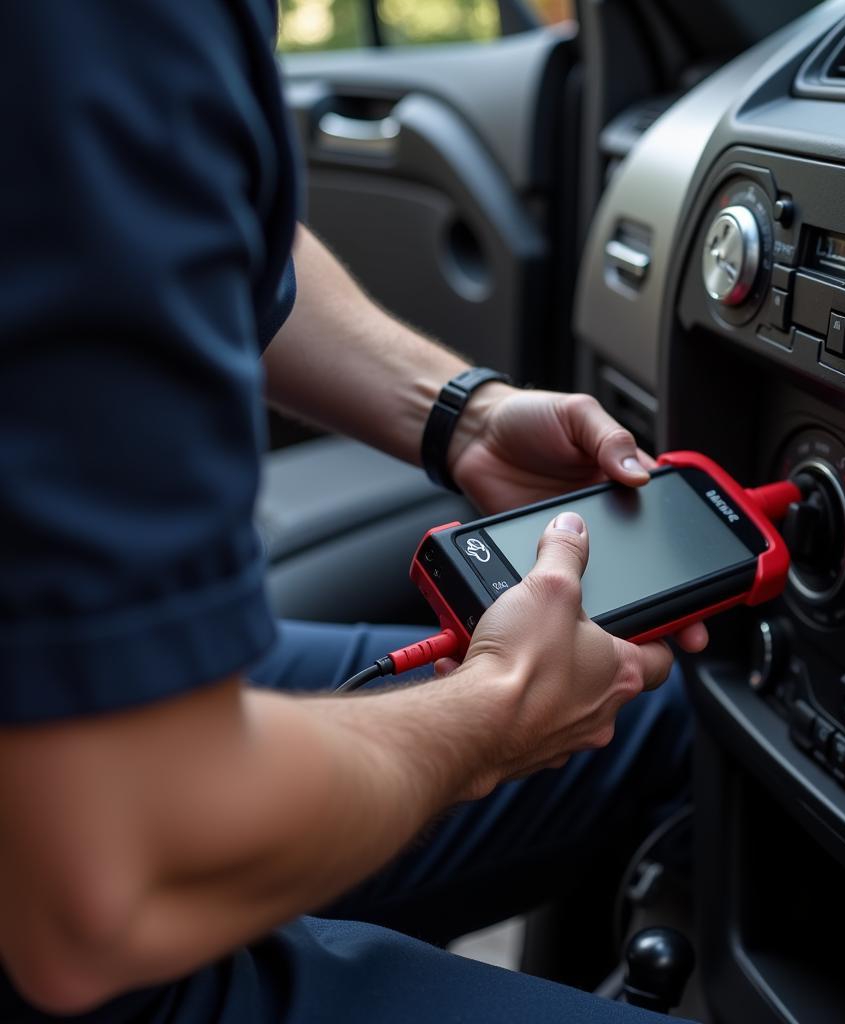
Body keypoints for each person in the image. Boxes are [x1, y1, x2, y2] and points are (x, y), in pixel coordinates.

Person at [0, 3, 707, 1021]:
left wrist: (460, 418)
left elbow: (195, 219)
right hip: (92, 887)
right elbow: (120, 881)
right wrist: (487, 718)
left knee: (665, 720)